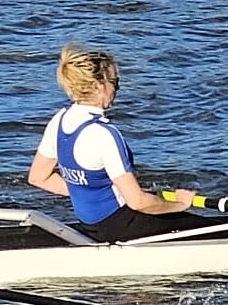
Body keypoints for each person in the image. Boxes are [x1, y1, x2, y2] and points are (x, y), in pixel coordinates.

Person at [27, 44, 203, 241]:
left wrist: (92, 192)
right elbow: (138, 203)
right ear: (98, 86)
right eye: (115, 82)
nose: (117, 89)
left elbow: (38, 178)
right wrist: (181, 203)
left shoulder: (59, 120)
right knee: (211, 227)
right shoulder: (104, 134)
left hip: (91, 225)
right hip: (121, 225)